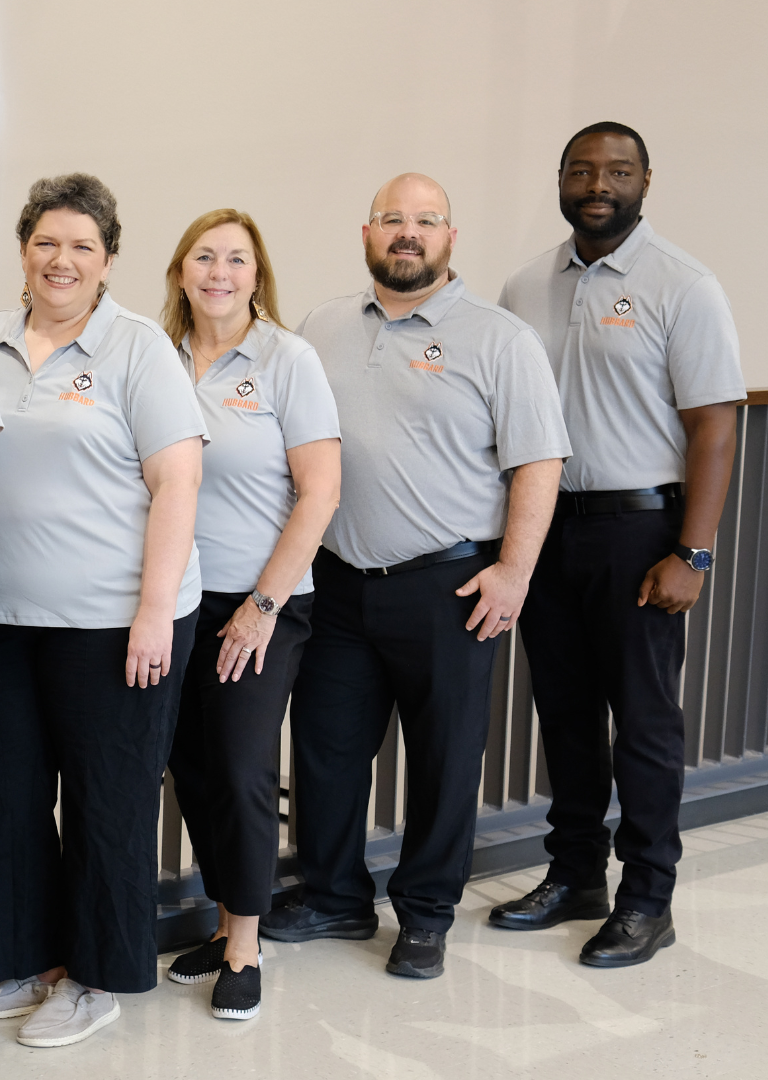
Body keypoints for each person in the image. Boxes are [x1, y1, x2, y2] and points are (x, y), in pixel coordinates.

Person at [264, 174, 570, 980]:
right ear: (367, 233)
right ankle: (333, 895)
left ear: (450, 239)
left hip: (450, 586)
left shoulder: (500, 339)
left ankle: (427, 913)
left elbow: (539, 462)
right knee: (327, 751)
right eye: (394, 220)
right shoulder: (320, 327)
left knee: (445, 757)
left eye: (426, 221)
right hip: (335, 584)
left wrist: (514, 572)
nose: (409, 233)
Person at [0, 173, 206, 1048]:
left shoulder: (138, 349)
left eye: (82, 247)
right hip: (5, 617)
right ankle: (27, 956)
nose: (62, 261)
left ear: (108, 261)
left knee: (107, 801)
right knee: (1, 796)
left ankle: (96, 975)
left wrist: (154, 610)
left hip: (113, 619)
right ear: (23, 251)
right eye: (47, 243)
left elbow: (178, 480)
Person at [493, 123, 745, 967]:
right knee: (563, 715)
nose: (599, 183)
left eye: (618, 170)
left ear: (646, 181)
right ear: (561, 179)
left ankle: (648, 897)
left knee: (641, 721)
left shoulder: (684, 284)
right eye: (582, 170)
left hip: (641, 532)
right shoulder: (524, 287)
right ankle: (575, 875)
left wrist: (696, 552)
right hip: (544, 530)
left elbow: (715, 422)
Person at [160, 209, 341, 1020]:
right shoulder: (155, 357)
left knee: (238, 767)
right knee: (191, 767)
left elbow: (321, 491)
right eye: (204, 257)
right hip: (175, 600)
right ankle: (233, 913)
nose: (219, 273)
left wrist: (263, 606)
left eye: (236, 259)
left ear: (257, 274)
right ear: (180, 272)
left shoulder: (285, 359)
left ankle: (245, 943)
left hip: (258, 601)